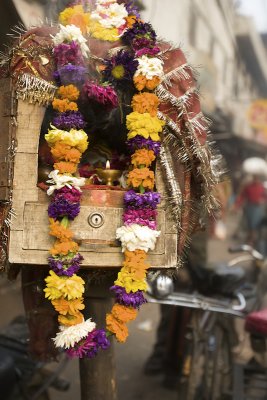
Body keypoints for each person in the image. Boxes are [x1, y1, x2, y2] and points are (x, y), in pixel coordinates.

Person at [234, 175, 267, 246]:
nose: (256, 180)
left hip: (257, 207)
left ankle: (252, 239)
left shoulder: (262, 187)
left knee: (255, 223)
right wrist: (237, 206)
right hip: (249, 206)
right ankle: (250, 238)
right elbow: (242, 196)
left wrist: (262, 200)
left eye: (257, 179)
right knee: (249, 223)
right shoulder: (248, 187)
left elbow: (265, 197)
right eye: (255, 179)